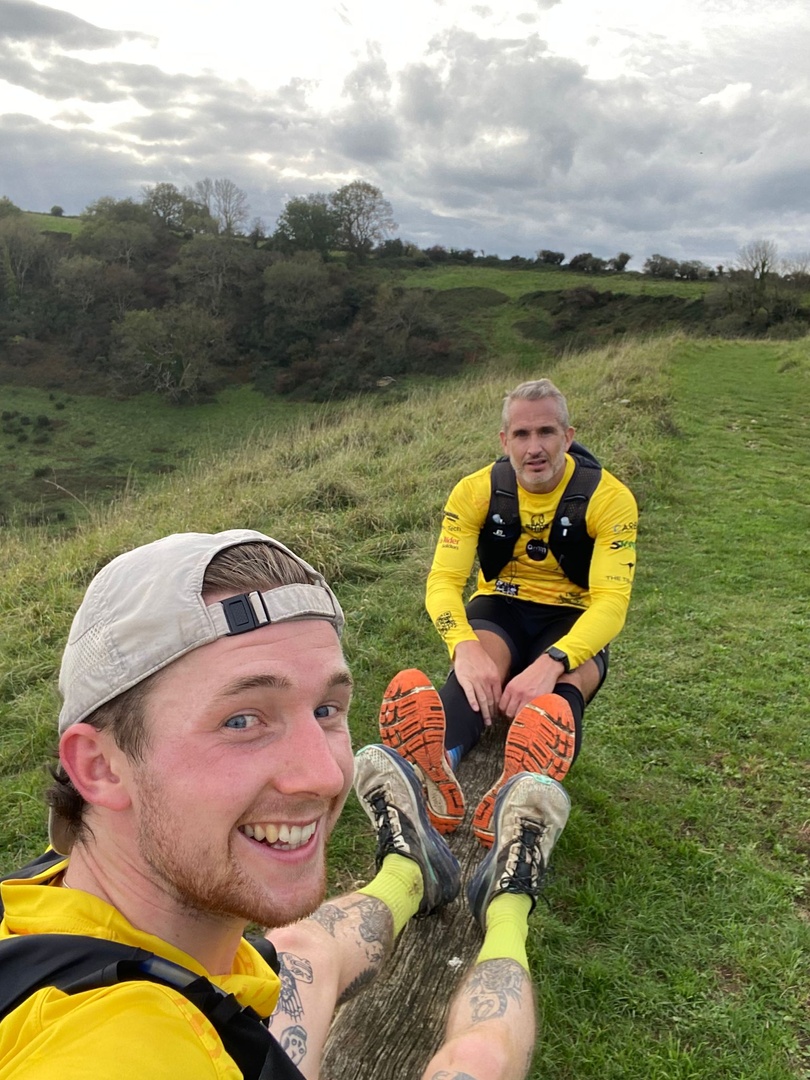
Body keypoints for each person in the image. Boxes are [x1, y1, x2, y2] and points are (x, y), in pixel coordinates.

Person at [0, 528, 572, 1080]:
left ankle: (410, 870)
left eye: (327, 709)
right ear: (100, 767)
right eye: (242, 720)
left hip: (224, 996)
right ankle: (509, 902)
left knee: (302, 950)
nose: (324, 777)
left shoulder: (43, 897)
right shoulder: (112, 1050)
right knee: (483, 1060)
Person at [379, 378, 638, 846]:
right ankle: (437, 767)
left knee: (559, 695)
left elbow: (611, 603)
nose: (534, 448)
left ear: (568, 436)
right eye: (521, 435)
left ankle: (517, 790)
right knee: (478, 672)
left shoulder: (608, 498)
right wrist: (463, 648)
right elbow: (441, 583)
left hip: (571, 616)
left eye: (546, 433)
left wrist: (551, 664)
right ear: (504, 441)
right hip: (501, 606)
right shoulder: (476, 491)